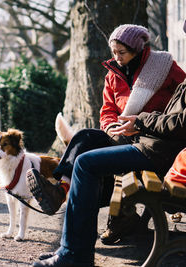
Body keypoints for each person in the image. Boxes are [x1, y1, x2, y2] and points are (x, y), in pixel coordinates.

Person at [28, 22, 186, 267]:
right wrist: (115, 126)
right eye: (113, 52)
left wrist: (142, 121)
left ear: (137, 50)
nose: (116, 57)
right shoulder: (113, 73)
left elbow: (178, 121)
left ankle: (74, 253)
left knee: (87, 163)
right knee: (86, 139)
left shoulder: (166, 68)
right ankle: (61, 197)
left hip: (156, 146)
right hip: (147, 139)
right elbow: (108, 111)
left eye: (121, 52)